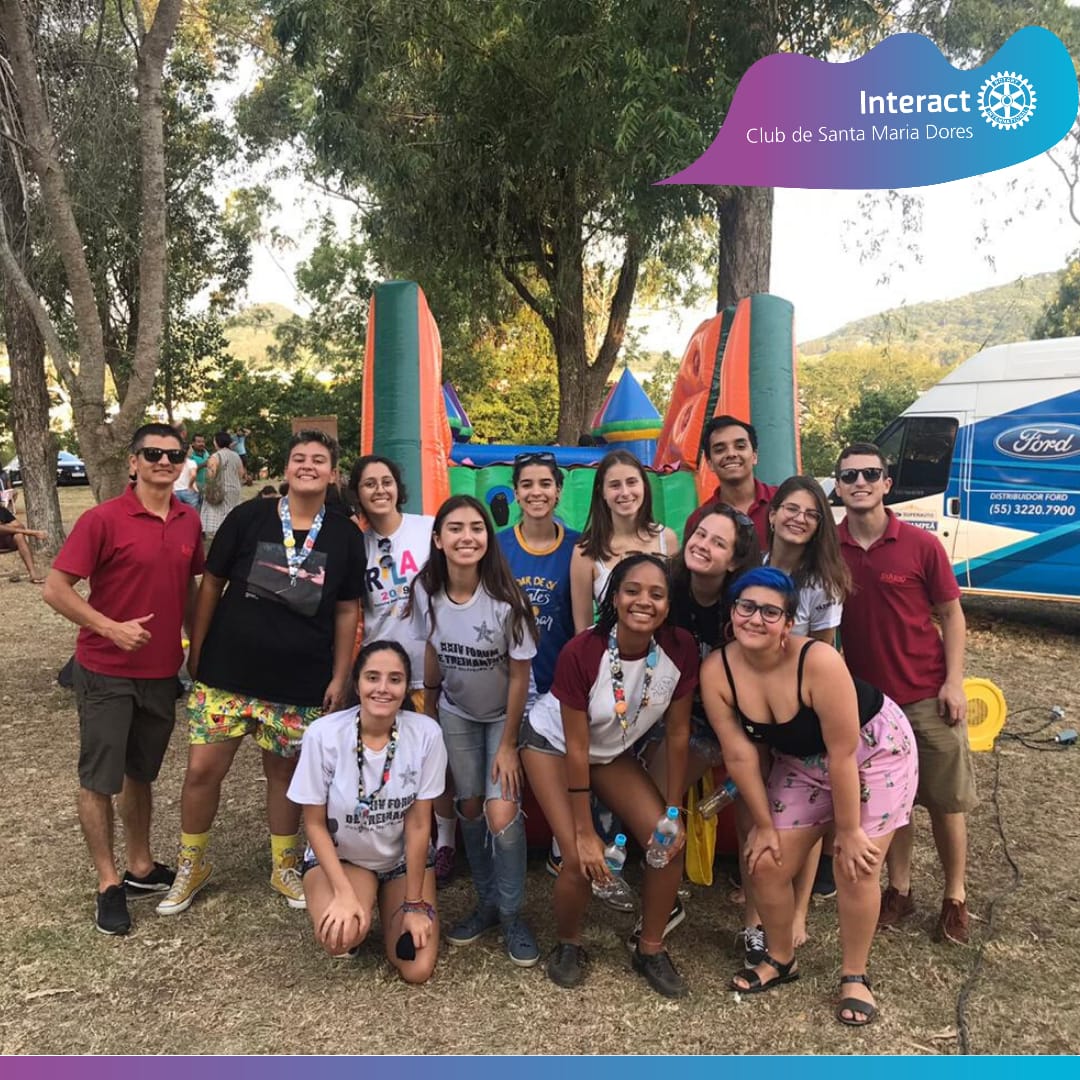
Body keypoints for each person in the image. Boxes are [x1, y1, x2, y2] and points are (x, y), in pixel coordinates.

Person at [156, 431, 365, 916]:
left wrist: (341, 675)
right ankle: (192, 864)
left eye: (319, 460)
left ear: (333, 474)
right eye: (299, 458)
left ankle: (284, 864)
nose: (308, 466)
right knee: (203, 771)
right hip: (227, 674)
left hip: (299, 682)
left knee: (286, 777)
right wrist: (198, 648)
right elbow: (211, 586)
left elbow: (347, 610)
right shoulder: (248, 517)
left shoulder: (344, 533)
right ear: (286, 469)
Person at [701, 567, 918, 1026]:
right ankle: (781, 958)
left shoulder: (817, 660)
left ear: (788, 622)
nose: (756, 619)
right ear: (731, 612)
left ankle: (854, 975)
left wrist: (848, 830)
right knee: (764, 862)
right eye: (746, 606)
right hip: (802, 763)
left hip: (873, 750)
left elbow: (843, 754)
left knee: (853, 866)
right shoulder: (717, 670)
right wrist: (762, 823)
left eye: (770, 611)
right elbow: (740, 755)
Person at [43, 423, 203, 934]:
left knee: (141, 773)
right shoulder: (103, 520)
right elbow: (55, 588)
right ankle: (108, 882)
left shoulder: (187, 521)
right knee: (99, 779)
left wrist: (196, 650)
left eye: (173, 455)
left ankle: (139, 866)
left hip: (161, 675)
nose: (164, 461)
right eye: (153, 453)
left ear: (182, 464)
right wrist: (108, 628)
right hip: (105, 671)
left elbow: (191, 590)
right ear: (133, 462)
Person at [521, 553, 697, 998]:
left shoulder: (679, 649)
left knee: (666, 842)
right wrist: (582, 832)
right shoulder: (584, 651)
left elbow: (678, 734)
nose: (644, 601)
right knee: (582, 858)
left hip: (610, 750)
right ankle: (568, 943)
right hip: (552, 745)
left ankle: (650, 947)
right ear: (614, 597)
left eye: (657, 594)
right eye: (632, 590)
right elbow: (576, 748)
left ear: (669, 603)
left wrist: (674, 811)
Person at [834, 442, 973, 945]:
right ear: (839, 486)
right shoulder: (832, 548)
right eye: (849, 476)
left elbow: (951, 614)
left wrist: (953, 681)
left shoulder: (921, 545)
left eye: (870, 474)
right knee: (892, 805)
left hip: (925, 696)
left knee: (944, 802)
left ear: (887, 484)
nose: (860, 482)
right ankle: (900, 888)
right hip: (870, 704)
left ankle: (955, 897)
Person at [409, 495, 540, 968]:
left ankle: (511, 914)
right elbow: (430, 649)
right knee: (467, 806)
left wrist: (508, 744)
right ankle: (485, 904)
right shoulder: (426, 590)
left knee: (502, 814)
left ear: (488, 538)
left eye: (477, 528)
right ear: (439, 539)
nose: (467, 537)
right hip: (456, 712)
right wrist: (425, 708)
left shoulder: (509, 600)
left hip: (504, 716)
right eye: (456, 529)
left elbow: (521, 676)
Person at [287, 640, 446, 983]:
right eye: (372, 677)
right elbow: (313, 824)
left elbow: (419, 825)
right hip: (346, 859)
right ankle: (359, 894)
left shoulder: (426, 734)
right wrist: (344, 893)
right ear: (356, 683)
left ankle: (388, 898)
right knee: (340, 937)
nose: (383, 689)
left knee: (417, 969)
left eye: (395, 679)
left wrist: (415, 904)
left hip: (401, 860)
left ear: (406, 688)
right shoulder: (323, 735)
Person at [349, 455, 457, 886]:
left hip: (432, 666)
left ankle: (445, 841)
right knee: (390, 759)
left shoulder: (427, 529)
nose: (379, 490)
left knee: (438, 761)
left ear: (399, 486)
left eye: (386, 481)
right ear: (357, 493)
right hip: (384, 675)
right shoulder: (355, 546)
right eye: (369, 484)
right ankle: (394, 837)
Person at [762, 476, 853, 927]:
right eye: (792, 509)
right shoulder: (749, 565)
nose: (800, 519)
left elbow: (822, 651)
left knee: (808, 802)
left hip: (800, 703)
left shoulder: (822, 584)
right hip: (754, 699)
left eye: (811, 514)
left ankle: (798, 911)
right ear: (773, 513)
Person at [497, 451, 580, 878]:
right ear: (515, 493)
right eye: (527, 484)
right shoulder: (498, 544)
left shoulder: (578, 545)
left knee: (567, 760)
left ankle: (560, 842)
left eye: (545, 484)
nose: (536, 492)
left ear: (558, 491)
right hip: (511, 680)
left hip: (558, 680)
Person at [570, 449, 679, 633]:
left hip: (662, 652)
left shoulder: (667, 539)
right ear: (602, 492)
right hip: (610, 656)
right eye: (615, 485)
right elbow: (583, 630)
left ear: (644, 486)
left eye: (632, 482)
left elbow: (676, 608)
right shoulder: (585, 552)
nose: (625, 492)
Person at [683, 416, 778, 548]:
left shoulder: (782, 502)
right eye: (720, 450)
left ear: (754, 456)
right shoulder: (699, 520)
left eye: (740, 446)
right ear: (710, 462)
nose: (731, 454)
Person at [199, 431, 246, 545]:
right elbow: (241, 473)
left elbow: (211, 475)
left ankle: (221, 539)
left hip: (220, 491)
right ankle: (232, 537)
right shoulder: (236, 456)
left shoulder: (215, 456)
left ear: (217, 442)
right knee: (231, 514)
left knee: (219, 515)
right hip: (235, 490)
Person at [0, 501, 47, 582]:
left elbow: (21, 526)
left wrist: (4, 526)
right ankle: (31, 532)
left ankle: (33, 574)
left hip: (5, 543)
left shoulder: (2, 511)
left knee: (19, 536)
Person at [190, 434, 210, 503]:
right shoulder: (189, 455)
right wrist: (203, 464)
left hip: (206, 486)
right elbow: (188, 471)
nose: (201, 444)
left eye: (203, 442)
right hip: (194, 486)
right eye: (198, 442)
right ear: (193, 443)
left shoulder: (206, 452)